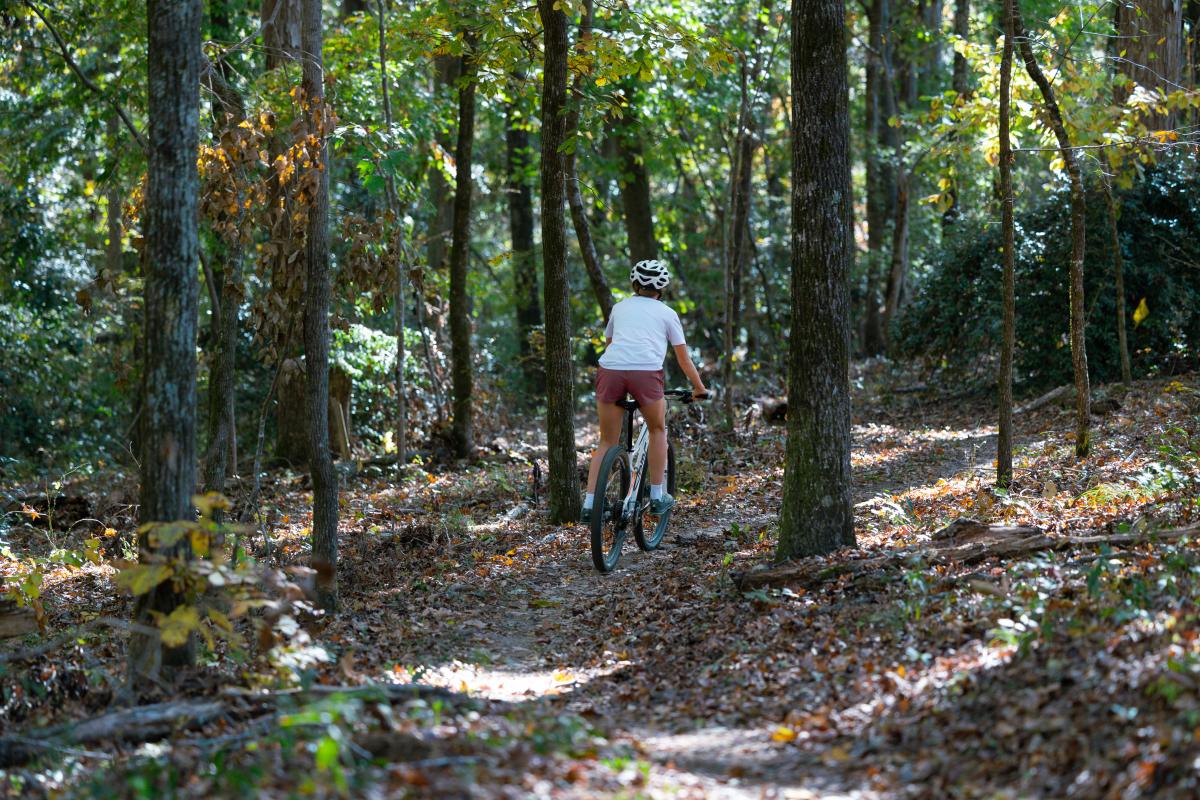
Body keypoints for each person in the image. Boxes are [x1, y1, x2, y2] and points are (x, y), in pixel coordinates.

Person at [582, 259, 708, 520]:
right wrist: (699, 388)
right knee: (657, 428)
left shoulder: (619, 308)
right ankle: (658, 496)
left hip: (610, 371)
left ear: (635, 284)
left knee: (607, 440)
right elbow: (683, 360)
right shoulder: (667, 313)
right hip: (646, 373)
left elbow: (611, 345)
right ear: (662, 289)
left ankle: (589, 504)